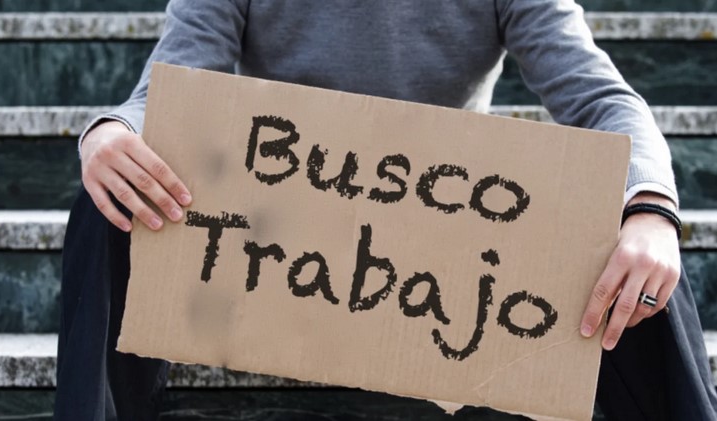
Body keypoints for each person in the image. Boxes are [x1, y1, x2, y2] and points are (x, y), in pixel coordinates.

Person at [54, 1, 717, 420]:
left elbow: (603, 101)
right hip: (277, 243)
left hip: (441, 239)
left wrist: (651, 211)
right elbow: (166, 91)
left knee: (636, 240)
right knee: (111, 195)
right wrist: (110, 131)